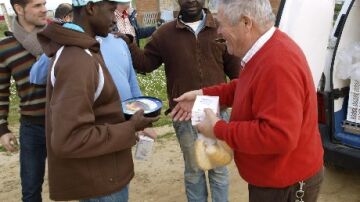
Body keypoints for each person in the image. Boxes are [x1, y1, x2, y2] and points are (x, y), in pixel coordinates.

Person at [171, 0, 324, 202]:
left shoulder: (277, 63)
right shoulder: (265, 50)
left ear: (246, 22)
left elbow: (279, 136)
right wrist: (203, 93)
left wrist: (218, 129)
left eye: (222, 24)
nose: (219, 32)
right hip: (275, 180)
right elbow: (245, 86)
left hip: (285, 186)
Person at [37, 0, 158, 201]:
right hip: (101, 179)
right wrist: (130, 128)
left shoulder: (84, 50)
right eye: (111, 10)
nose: (114, 18)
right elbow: (69, 138)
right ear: (91, 8)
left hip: (102, 173)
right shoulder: (77, 59)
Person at [126, 0, 240, 201]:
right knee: (194, 171)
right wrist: (129, 43)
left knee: (219, 170)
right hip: (184, 117)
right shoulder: (165, 34)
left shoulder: (220, 29)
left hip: (216, 114)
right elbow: (146, 63)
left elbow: (236, 73)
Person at [0, 0, 48, 201]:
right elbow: (1, 91)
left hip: (67, 124)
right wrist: (2, 128)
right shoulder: (5, 47)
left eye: (44, 3)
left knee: (79, 185)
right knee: (30, 191)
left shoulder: (58, 36)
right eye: (37, 5)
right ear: (19, 9)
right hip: (32, 128)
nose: (44, 9)